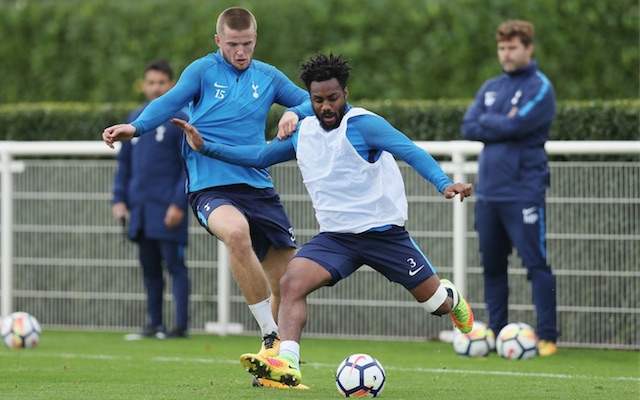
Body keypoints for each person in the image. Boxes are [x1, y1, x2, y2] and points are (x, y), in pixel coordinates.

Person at [172, 52, 475, 387]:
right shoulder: (303, 134)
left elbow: (410, 151)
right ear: (310, 99)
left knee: (437, 306)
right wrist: (205, 147)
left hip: (385, 235)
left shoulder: (363, 125)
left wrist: (445, 183)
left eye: (333, 98)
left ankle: (453, 298)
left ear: (345, 94)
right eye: (318, 100)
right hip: (336, 239)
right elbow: (259, 156)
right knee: (290, 283)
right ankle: (287, 362)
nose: (326, 107)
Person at [102, 7, 313, 388]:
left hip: (258, 185)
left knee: (289, 281)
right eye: (233, 45)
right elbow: (168, 103)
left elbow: (313, 101)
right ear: (219, 41)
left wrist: (294, 113)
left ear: (255, 40)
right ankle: (269, 333)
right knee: (235, 233)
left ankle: (277, 362)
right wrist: (135, 127)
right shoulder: (202, 71)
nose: (241, 52)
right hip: (210, 185)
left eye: (247, 44)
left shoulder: (267, 77)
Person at [460, 19, 558, 356]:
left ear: (528, 49)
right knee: (493, 267)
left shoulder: (540, 87)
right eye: (502, 48)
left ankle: (547, 337)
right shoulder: (491, 86)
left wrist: (494, 121)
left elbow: (518, 123)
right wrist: (502, 123)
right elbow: (469, 126)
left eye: (513, 47)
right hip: (488, 193)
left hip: (524, 191)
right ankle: (499, 333)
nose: (506, 53)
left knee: (536, 264)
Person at [112, 59, 190, 339]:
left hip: (168, 209)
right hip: (141, 210)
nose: (156, 88)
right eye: (151, 82)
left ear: (170, 84)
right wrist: (119, 200)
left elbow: (187, 166)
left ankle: (180, 327)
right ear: (144, 85)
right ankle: (154, 323)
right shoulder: (134, 119)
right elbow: (124, 166)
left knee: (175, 267)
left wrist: (178, 203)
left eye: (161, 82)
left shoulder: (180, 118)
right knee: (149, 269)